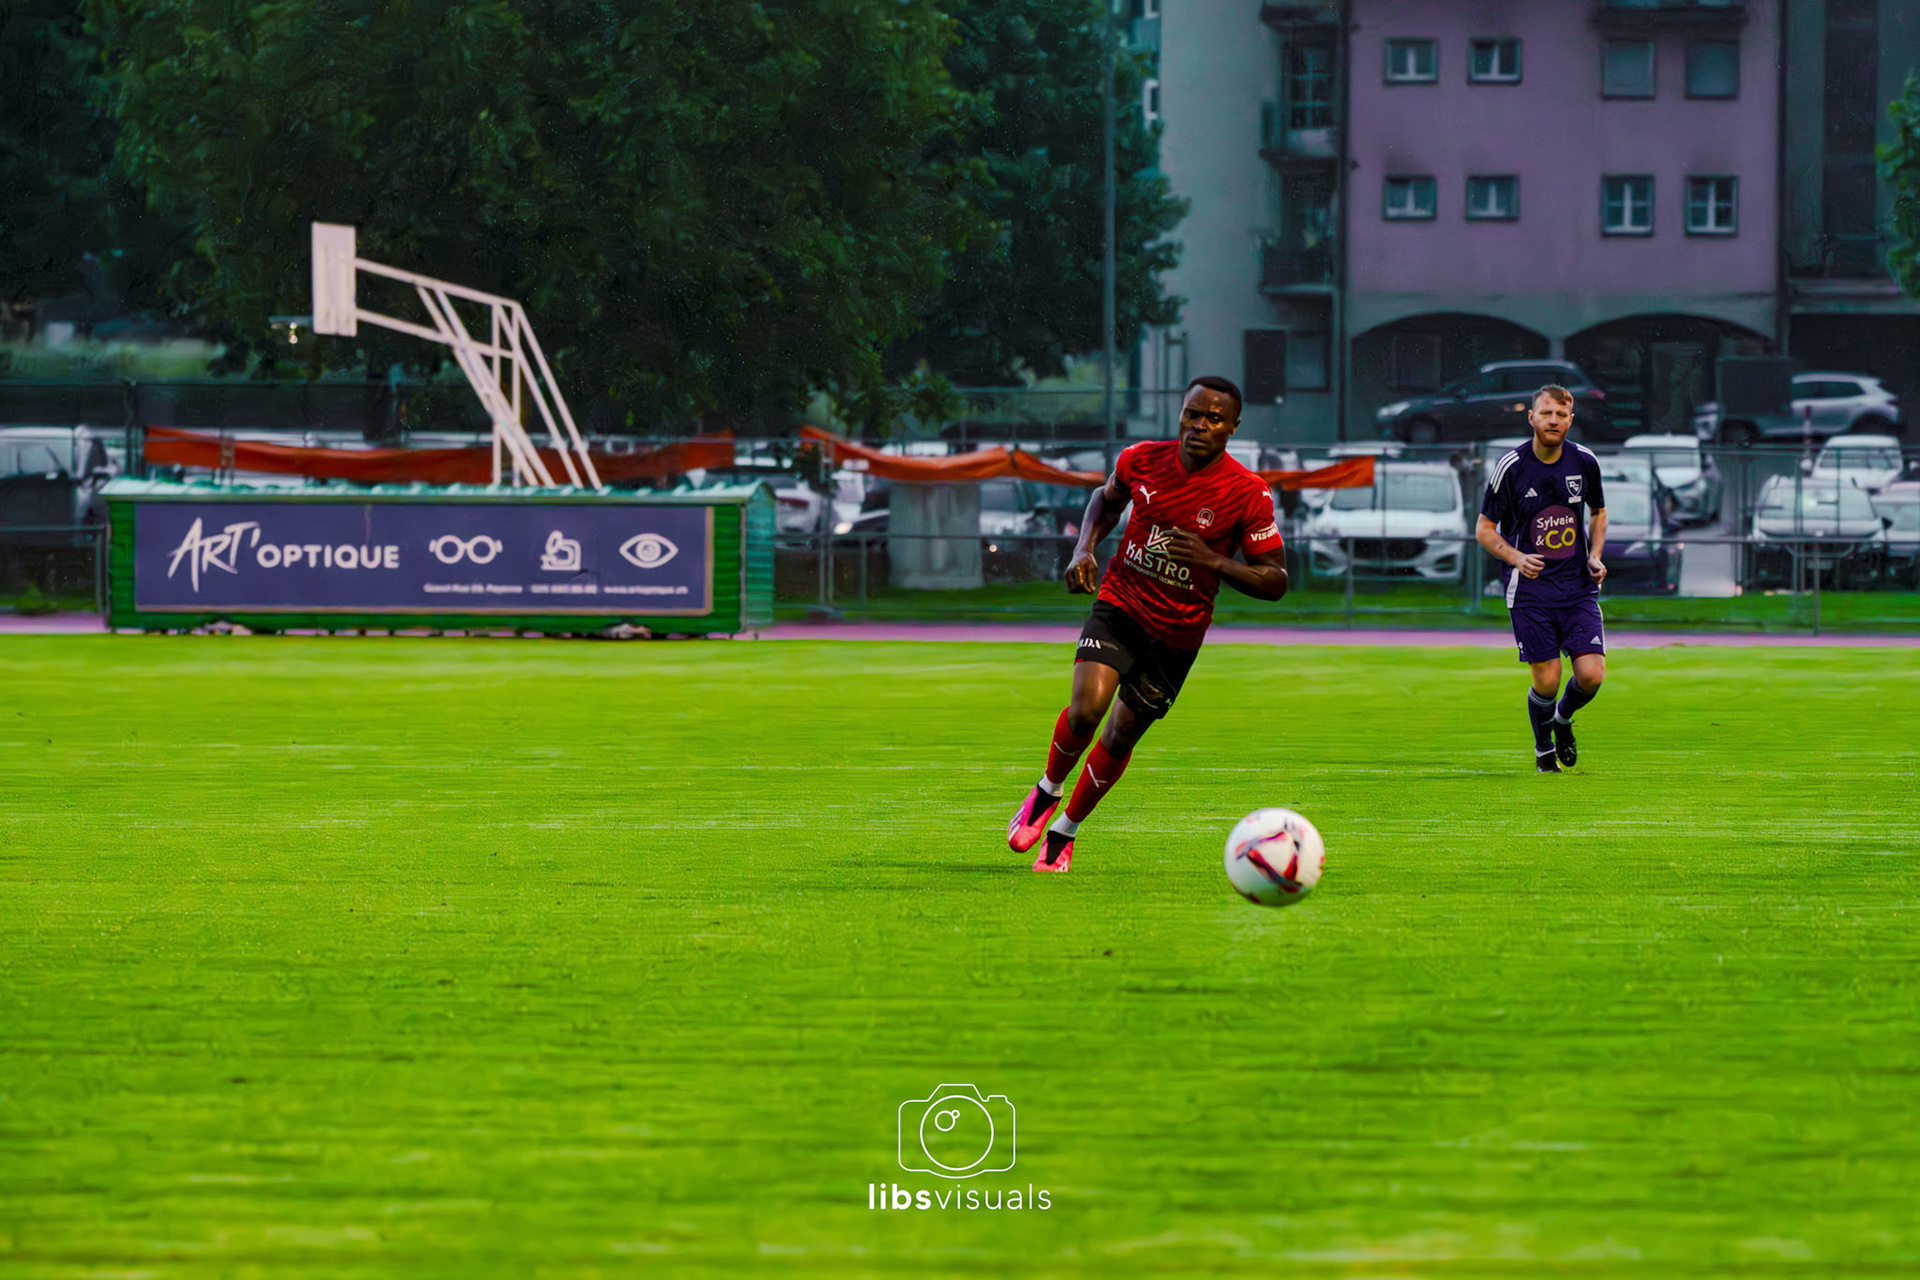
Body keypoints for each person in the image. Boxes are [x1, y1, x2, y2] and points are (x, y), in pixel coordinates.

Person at [1006, 376, 1289, 872]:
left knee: (1119, 736)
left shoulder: (1248, 494)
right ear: (1181, 413)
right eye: (1192, 413)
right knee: (1086, 711)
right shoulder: (1140, 458)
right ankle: (1046, 791)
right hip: (1121, 603)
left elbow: (1275, 579)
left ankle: (1064, 832)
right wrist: (1083, 548)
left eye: (1214, 419)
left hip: (1177, 635)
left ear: (1233, 428)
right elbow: (1105, 500)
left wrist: (1214, 561)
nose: (1200, 425)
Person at [1474, 384, 1608, 773]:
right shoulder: (1512, 466)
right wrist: (1517, 558)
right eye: (1546, 413)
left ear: (1571, 419)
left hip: (1578, 587)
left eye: (1561, 414)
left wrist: (1596, 555)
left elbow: (1598, 512)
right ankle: (1543, 749)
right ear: (1531, 417)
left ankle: (1563, 719)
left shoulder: (1584, 461)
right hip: (1530, 591)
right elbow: (1484, 529)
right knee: (1547, 681)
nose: (1553, 420)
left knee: (1592, 674)